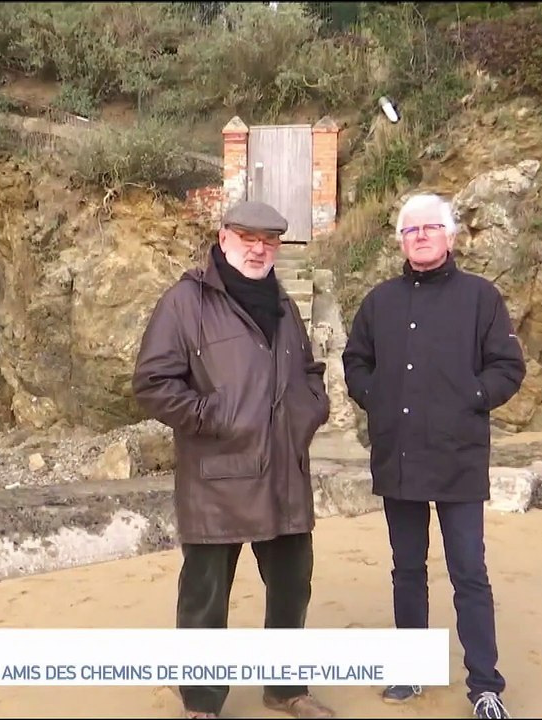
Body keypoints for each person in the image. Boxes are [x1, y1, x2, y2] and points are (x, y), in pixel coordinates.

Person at [132, 200, 336, 720]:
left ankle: (285, 689)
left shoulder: (284, 306)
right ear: (223, 238)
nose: (258, 248)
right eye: (247, 237)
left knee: (292, 588)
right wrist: (216, 417)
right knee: (204, 598)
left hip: (284, 476)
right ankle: (201, 702)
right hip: (217, 478)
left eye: (268, 241)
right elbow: (153, 384)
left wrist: (308, 413)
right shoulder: (184, 302)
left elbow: (310, 371)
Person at [341, 193, 526, 719]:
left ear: (450, 235)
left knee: (469, 570)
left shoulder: (480, 297)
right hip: (398, 456)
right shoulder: (380, 301)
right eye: (410, 230)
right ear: (400, 241)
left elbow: (507, 367)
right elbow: (356, 360)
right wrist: (374, 396)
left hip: (459, 457)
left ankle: (485, 686)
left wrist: (471, 397)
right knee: (407, 569)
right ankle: (411, 668)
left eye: (430, 228)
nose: (420, 237)